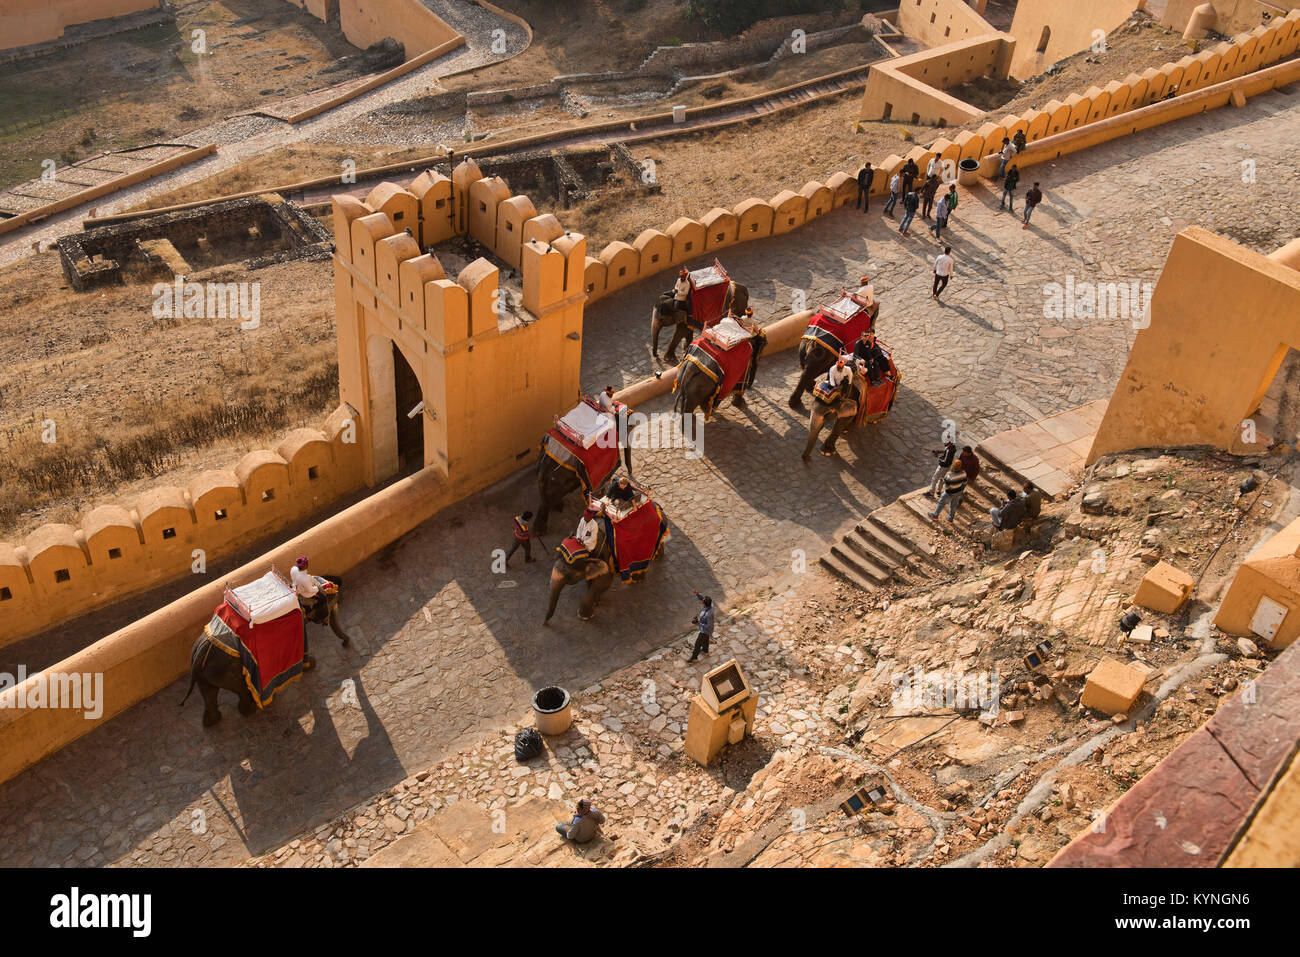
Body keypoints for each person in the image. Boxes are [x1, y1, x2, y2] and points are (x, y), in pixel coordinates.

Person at [688, 592, 715, 662]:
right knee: (705, 640)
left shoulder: (709, 615)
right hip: (705, 630)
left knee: (697, 644)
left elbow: (708, 626)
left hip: (705, 630)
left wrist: (698, 623)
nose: (702, 602)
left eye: (703, 602)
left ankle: (694, 658)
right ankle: (705, 651)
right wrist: (697, 594)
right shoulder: (711, 604)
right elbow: (703, 598)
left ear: (705, 604)